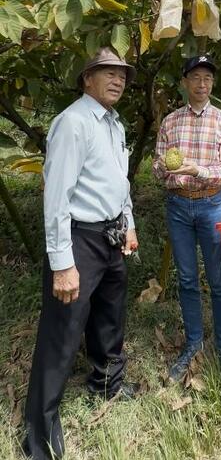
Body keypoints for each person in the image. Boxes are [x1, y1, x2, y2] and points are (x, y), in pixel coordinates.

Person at [23, 48, 139, 460]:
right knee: (63, 330)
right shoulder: (73, 122)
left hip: (110, 236)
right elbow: (56, 198)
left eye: (122, 75)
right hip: (80, 238)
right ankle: (38, 431)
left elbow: (117, 180)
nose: (117, 80)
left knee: (109, 317)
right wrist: (63, 263)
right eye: (107, 72)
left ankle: (106, 383)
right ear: (86, 78)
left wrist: (129, 223)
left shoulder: (114, 123)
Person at [153, 55, 221, 381]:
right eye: (196, 78)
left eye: (207, 79)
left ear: (212, 83)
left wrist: (196, 169)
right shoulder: (170, 122)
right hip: (178, 206)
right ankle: (193, 342)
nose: (202, 84)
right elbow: (158, 168)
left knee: (218, 280)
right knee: (187, 279)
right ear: (185, 82)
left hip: (211, 205)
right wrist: (166, 167)